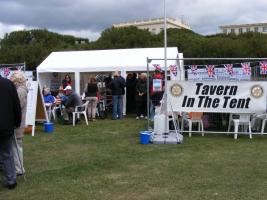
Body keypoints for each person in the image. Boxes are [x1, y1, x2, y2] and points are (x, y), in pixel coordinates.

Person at [0, 74, 21, 189]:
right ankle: (11, 180)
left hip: (5, 125)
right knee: (7, 153)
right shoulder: (8, 84)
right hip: (6, 125)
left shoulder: (8, 84)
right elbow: (16, 105)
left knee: (6, 153)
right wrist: (17, 122)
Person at [10, 71, 28, 176]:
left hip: (18, 123)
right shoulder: (20, 89)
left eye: (12, 76)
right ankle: (18, 167)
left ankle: (19, 169)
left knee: (16, 146)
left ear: (17, 78)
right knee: (15, 146)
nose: (10, 77)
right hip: (18, 122)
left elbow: (18, 106)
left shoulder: (21, 90)